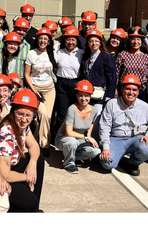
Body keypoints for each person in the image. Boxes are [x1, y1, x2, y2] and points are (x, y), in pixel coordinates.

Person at [0, 89, 45, 215]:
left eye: (28, 115)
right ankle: (28, 206)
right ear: (13, 112)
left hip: (13, 165)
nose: (24, 119)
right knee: (29, 201)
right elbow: (5, 174)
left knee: (38, 160)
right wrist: (28, 177)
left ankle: (32, 210)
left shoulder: (22, 126)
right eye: (20, 114)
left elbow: (34, 145)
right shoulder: (6, 131)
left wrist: (32, 163)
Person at [98, 74, 148, 176]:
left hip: (136, 139)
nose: (131, 93)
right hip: (116, 138)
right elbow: (104, 127)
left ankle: (134, 163)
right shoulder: (112, 104)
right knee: (107, 164)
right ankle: (117, 155)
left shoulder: (144, 106)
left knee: (146, 149)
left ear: (138, 91)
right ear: (122, 89)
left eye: (134, 90)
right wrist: (105, 147)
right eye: (128, 89)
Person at [54, 80, 101, 174]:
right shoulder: (72, 109)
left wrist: (89, 135)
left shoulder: (94, 110)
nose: (83, 98)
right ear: (76, 95)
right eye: (80, 95)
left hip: (79, 140)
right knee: (72, 141)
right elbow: (69, 133)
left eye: (86, 95)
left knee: (96, 151)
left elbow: (91, 123)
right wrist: (86, 137)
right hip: (64, 139)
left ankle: (73, 156)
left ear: (90, 95)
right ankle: (69, 163)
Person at [24, 27, 58, 155]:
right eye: (41, 38)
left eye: (45, 39)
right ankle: (45, 146)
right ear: (37, 39)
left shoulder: (51, 53)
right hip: (35, 89)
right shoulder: (31, 53)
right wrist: (33, 90)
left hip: (49, 89)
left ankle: (36, 141)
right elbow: (27, 74)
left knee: (46, 118)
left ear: (49, 41)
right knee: (43, 115)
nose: (43, 41)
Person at [52, 26, 84, 137]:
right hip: (61, 83)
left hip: (75, 84)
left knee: (74, 111)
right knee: (62, 112)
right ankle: (60, 136)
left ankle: (73, 135)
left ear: (77, 41)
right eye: (68, 39)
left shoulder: (81, 53)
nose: (70, 42)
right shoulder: (58, 52)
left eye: (73, 39)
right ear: (64, 40)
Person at [79, 29, 117, 115]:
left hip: (100, 95)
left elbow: (112, 78)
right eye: (91, 41)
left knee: (97, 118)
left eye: (96, 41)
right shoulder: (86, 57)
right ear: (88, 43)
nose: (94, 43)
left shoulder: (106, 57)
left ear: (100, 43)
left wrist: (109, 96)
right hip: (86, 94)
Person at [115, 26, 148, 102]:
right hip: (124, 90)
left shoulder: (146, 57)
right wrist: (115, 89)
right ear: (129, 41)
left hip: (140, 90)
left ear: (142, 41)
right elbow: (116, 73)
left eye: (138, 39)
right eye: (133, 39)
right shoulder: (122, 55)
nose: (135, 42)